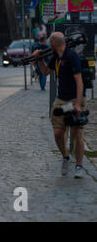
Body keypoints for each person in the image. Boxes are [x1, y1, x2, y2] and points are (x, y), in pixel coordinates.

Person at [33, 32, 86, 179]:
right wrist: (39, 59)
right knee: (57, 133)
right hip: (61, 100)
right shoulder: (56, 56)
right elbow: (45, 72)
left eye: (50, 42)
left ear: (53, 43)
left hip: (75, 98)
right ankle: (65, 157)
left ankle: (79, 166)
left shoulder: (72, 57)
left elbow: (79, 81)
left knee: (77, 133)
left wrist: (78, 104)